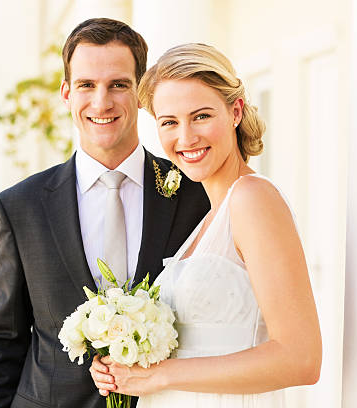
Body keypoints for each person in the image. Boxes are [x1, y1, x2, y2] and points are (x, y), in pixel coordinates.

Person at [0, 20, 209, 408]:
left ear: (141, 93)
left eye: (118, 84)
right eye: (87, 85)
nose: (102, 103)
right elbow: (2, 339)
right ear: (67, 93)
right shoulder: (22, 206)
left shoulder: (194, 193)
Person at [90, 43, 322, 407]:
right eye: (169, 122)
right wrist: (126, 364)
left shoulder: (252, 198)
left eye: (200, 116)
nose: (185, 138)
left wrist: (162, 375)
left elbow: (301, 358)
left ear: (235, 110)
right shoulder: (210, 215)